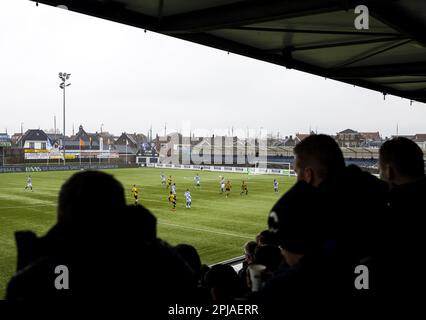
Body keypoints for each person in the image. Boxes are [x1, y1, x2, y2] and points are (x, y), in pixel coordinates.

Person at [7, 170, 197, 302]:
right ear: (122, 215)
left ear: (62, 216)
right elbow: (188, 290)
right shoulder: (156, 266)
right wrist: (146, 239)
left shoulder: (33, 278)